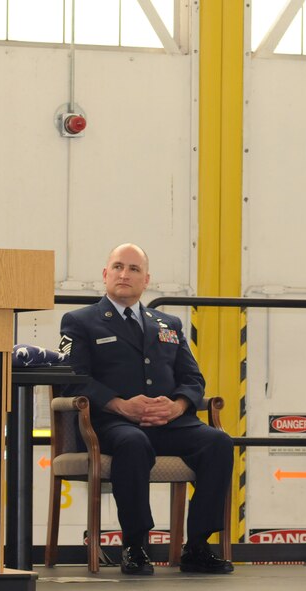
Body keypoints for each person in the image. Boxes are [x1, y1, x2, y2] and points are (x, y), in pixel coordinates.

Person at [59, 243, 234, 576]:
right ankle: (135, 545)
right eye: (118, 267)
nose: (125, 274)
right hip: (111, 425)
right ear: (105, 274)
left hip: (168, 423)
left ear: (146, 280)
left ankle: (196, 545)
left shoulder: (168, 324)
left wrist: (178, 405)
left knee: (219, 443)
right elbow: (73, 379)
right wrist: (120, 405)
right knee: (133, 443)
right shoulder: (80, 321)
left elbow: (193, 379)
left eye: (134, 269)